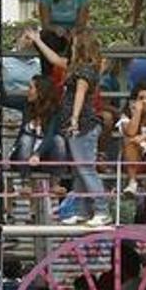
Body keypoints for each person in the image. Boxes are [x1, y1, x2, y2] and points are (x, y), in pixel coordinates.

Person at [54, 32, 109, 225]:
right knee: (79, 170)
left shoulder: (84, 71)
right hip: (80, 125)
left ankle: (102, 209)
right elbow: (54, 59)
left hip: (83, 125)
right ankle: (82, 210)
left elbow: (79, 94)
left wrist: (74, 119)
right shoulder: (78, 68)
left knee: (86, 168)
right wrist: (37, 41)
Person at [38, 0, 90, 65]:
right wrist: (57, 29)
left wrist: (73, 31)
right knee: (46, 39)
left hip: (74, 32)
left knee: (80, 41)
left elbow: (81, 22)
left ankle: (75, 74)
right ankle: (48, 77)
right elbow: (45, 24)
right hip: (53, 33)